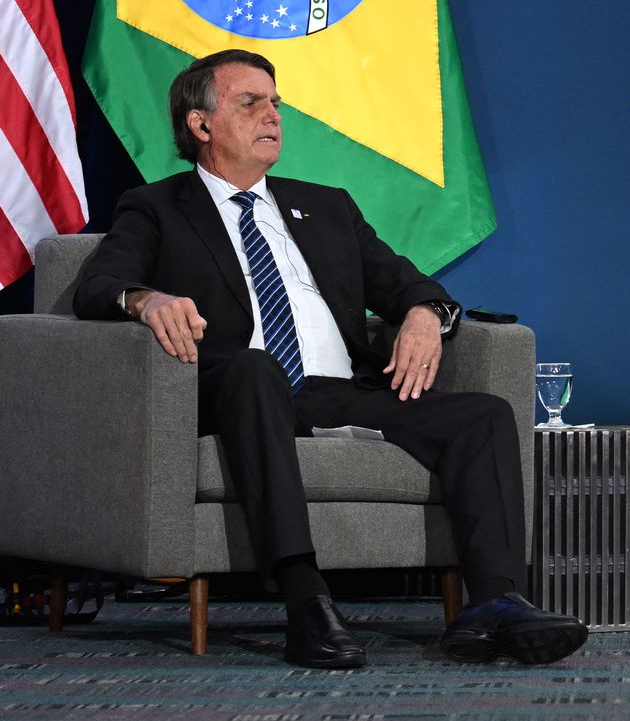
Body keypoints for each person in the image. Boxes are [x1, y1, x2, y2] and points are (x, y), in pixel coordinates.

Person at [73, 50, 587, 669]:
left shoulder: (326, 206)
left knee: (481, 415)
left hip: (335, 390)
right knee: (256, 367)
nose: (273, 115)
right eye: (250, 102)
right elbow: (98, 287)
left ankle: (495, 604)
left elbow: (410, 284)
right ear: (200, 124)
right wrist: (147, 299)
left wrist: (426, 314)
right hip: (235, 390)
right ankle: (306, 600)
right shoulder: (156, 207)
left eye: (276, 103)